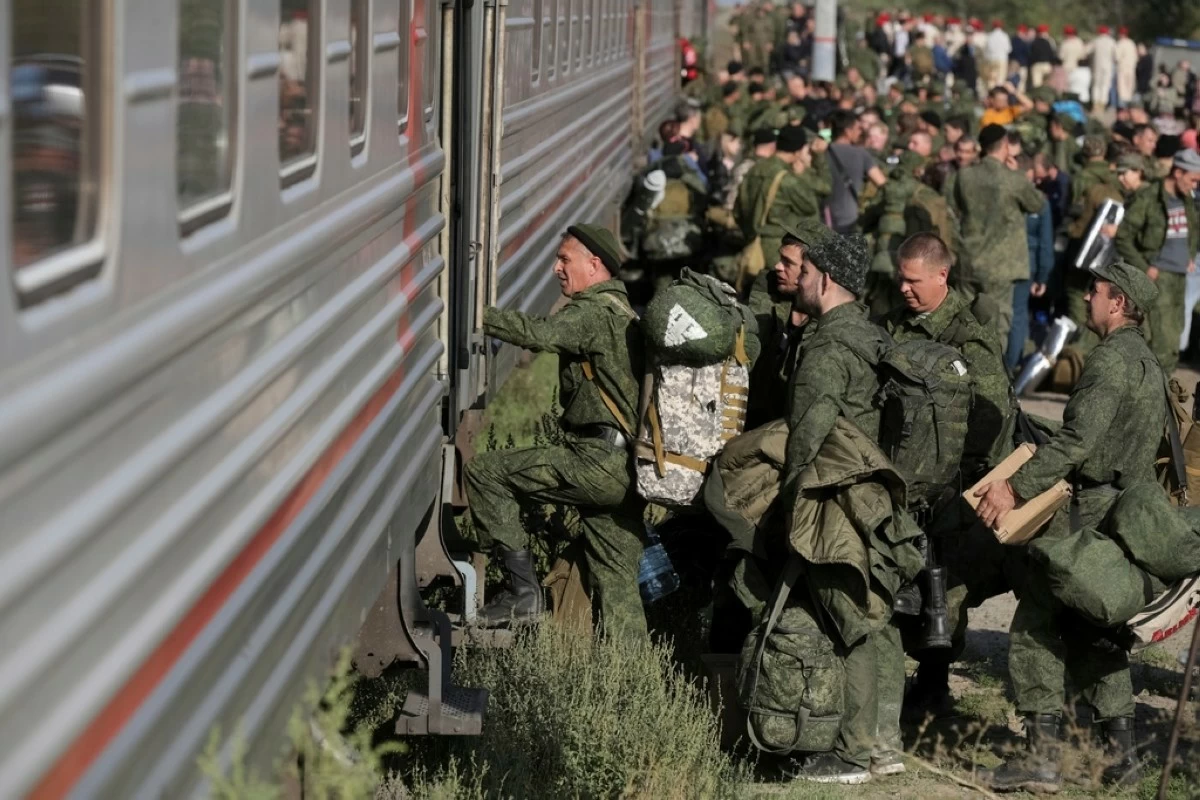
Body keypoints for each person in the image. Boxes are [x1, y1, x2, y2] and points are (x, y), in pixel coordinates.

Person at [974, 261, 1167, 794]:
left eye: (1097, 291)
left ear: (1120, 303)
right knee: (1096, 633)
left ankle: (1041, 760)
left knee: (1036, 624)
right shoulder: (1149, 361)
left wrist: (1014, 487)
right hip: (1121, 510)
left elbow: (1075, 443)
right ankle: (1121, 757)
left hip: (1085, 514)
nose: (1087, 298)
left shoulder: (1109, 362)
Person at [465, 225, 646, 637]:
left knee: (486, 472)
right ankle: (632, 680)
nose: (556, 268)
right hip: (628, 469)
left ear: (593, 264)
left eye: (565, 259)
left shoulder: (593, 313)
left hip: (594, 464)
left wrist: (475, 315)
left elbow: (539, 334)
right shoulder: (625, 312)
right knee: (618, 588)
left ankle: (523, 594)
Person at [879, 233, 1018, 722]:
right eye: (900, 278)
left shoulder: (967, 338)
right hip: (901, 475)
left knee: (942, 590)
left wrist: (952, 475)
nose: (905, 289)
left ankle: (934, 685)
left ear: (942, 275)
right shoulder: (898, 324)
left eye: (914, 281)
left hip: (949, 488)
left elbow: (992, 415)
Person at [781, 233, 901, 785]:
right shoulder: (873, 336)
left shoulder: (828, 348)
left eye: (804, 272)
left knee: (850, 622)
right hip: (879, 497)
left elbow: (807, 438)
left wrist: (786, 506)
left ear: (825, 280)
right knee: (878, 619)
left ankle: (853, 755)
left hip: (836, 499)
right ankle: (883, 745)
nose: (799, 280)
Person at [950, 124, 1047, 342]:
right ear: (1004, 145)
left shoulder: (964, 176)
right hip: (1001, 265)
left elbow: (957, 205)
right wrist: (1019, 175)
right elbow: (1037, 204)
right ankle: (990, 374)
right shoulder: (1012, 179)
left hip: (968, 259)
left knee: (964, 321)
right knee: (995, 328)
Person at [1114, 148, 1200, 374]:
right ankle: (1153, 398)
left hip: (1180, 277)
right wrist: (1145, 268)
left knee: (1174, 341)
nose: (1195, 186)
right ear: (1178, 172)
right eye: (1192, 179)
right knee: (1160, 343)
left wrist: (1190, 255)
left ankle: (1162, 396)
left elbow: (1193, 228)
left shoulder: (1188, 200)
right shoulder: (1149, 198)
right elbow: (1123, 237)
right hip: (1157, 277)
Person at [734, 125, 831, 284]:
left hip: (751, 246)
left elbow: (738, 211)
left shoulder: (754, 170)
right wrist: (803, 173)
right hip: (777, 250)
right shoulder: (787, 179)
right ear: (799, 150)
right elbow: (810, 206)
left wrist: (751, 232)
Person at [1011, 155, 1056, 369]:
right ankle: (1012, 366)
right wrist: (1042, 276)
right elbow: (1045, 242)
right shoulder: (1040, 202)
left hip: (998, 264)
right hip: (1026, 266)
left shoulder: (1003, 197)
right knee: (1018, 316)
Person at [826, 109, 888, 234]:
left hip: (825, 218)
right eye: (858, 128)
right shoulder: (860, 154)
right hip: (849, 219)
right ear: (848, 132)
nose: (860, 132)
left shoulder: (822, 153)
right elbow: (882, 182)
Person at [1092, 25, 1117, 112]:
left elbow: (1086, 51)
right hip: (1107, 66)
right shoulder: (1112, 42)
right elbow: (1116, 56)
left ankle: (1095, 104)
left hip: (1097, 66)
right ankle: (1102, 104)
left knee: (1096, 85)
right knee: (1105, 85)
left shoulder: (1096, 41)